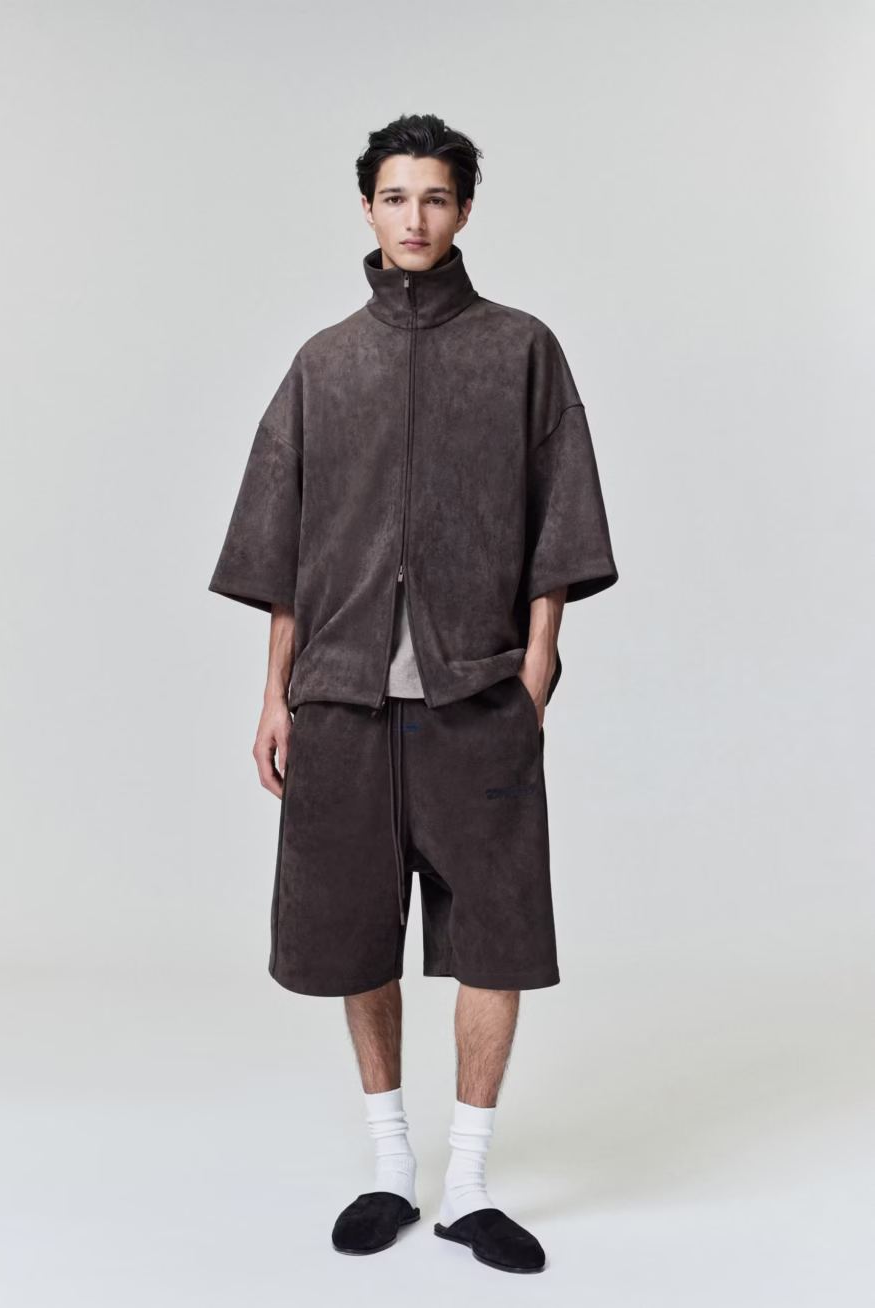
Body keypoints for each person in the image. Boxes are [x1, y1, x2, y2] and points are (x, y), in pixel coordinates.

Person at [208, 113, 618, 1275]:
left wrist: (534, 668)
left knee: (496, 941)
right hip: (340, 699)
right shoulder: (323, 363)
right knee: (356, 939)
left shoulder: (520, 350)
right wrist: (275, 694)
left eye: (435, 197)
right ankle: (390, 1167)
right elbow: (285, 549)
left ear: (464, 209)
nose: (414, 218)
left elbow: (560, 518)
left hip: (476, 696)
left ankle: (468, 1186)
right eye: (394, 197)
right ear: (367, 208)